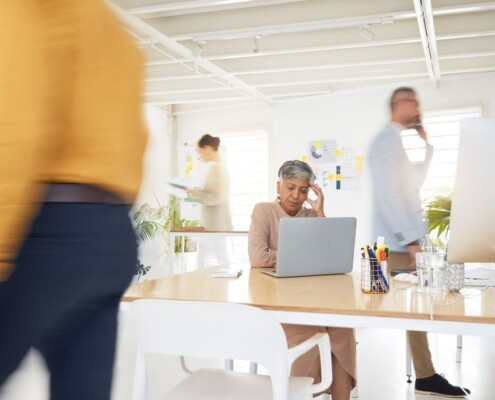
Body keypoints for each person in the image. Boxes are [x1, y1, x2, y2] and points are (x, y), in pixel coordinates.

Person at [0, 1, 146, 399]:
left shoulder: (28, 7)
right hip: (109, 234)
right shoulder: (113, 30)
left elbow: (15, 128)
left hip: (45, 231)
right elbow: (137, 141)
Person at [368, 87, 470, 397]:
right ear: (400, 104)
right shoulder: (385, 141)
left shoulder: (396, 141)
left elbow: (415, 183)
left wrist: (427, 148)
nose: (418, 109)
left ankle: (425, 374)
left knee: (417, 308)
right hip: (399, 246)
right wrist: (411, 241)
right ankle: (425, 375)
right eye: (414, 103)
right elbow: (388, 197)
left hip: (406, 243)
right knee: (412, 308)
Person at [248, 160, 356, 400]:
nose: (296, 195)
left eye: (304, 190)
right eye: (290, 187)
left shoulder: (311, 215)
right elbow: (258, 257)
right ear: (278, 186)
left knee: (343, 329)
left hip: (311, 298)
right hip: (279, 305)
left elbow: (328, 256)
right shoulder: (263, 211)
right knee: (313, 330)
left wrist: (319, 213)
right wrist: (300, 254)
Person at [187, 134, 233, 266]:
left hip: (217, 224)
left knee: (219, 258)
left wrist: (197, 194)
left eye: (199, 151)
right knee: (207, 257)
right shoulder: (214, 167)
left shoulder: (218, 169)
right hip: (212, 223)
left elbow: (218, 196)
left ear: (207, 148)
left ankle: (222, 284)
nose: (199, 156)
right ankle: (206, 284)